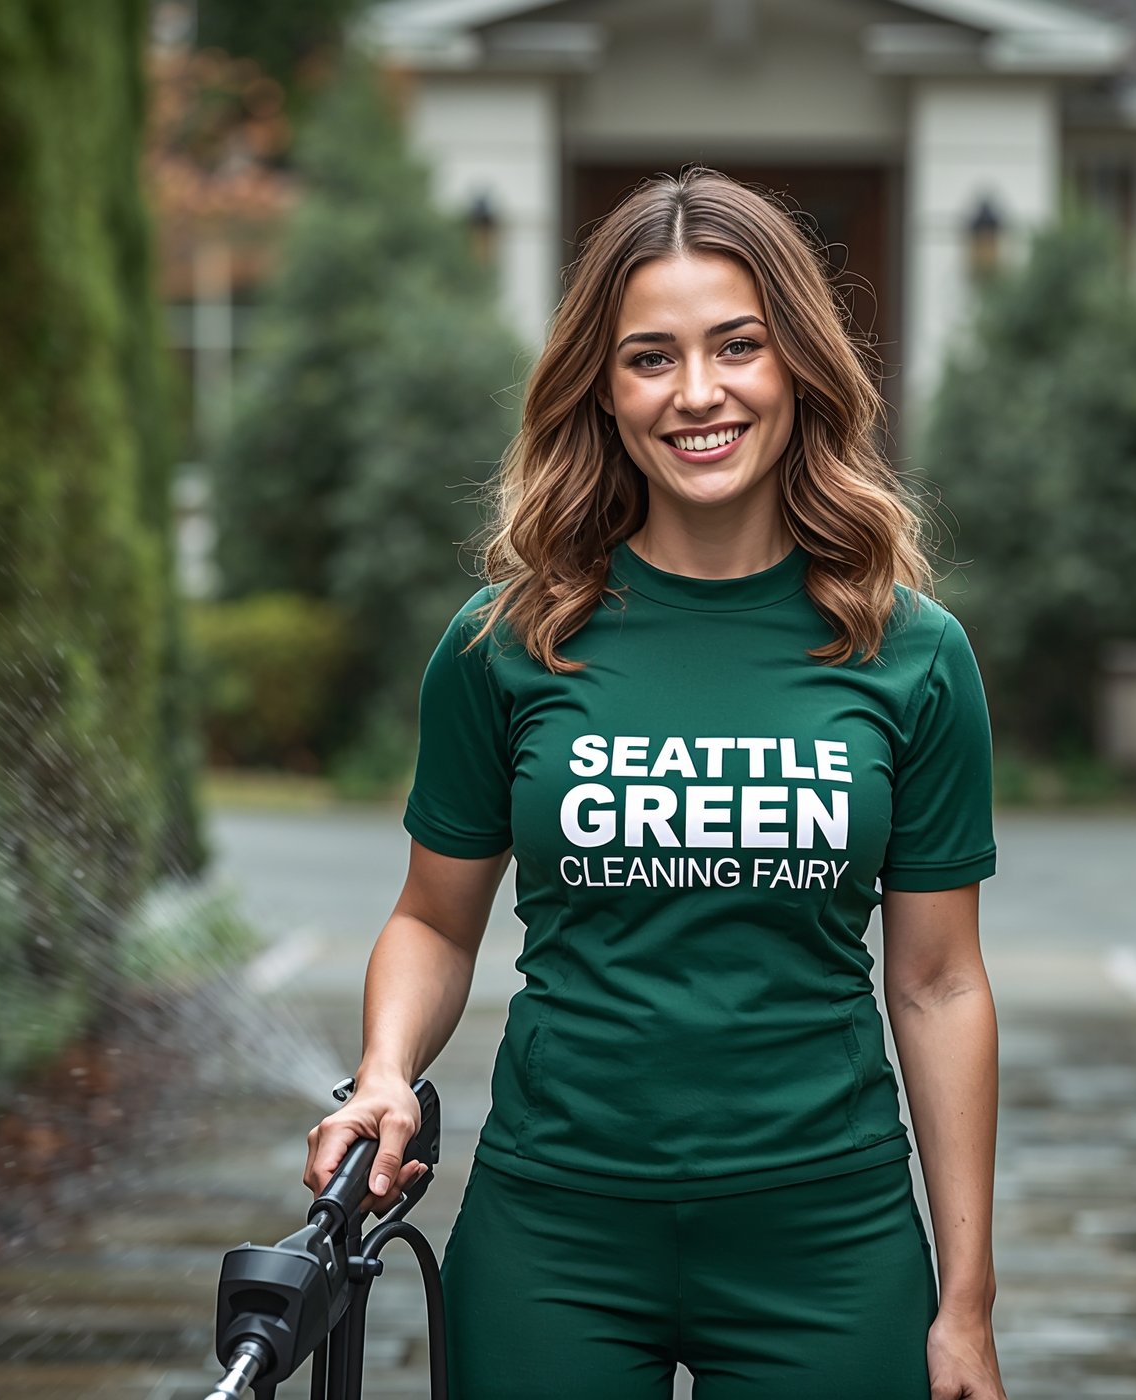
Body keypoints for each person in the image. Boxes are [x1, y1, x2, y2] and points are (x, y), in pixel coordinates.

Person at [303, 167, 1006, 1400]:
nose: (698, 393)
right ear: (602, 388)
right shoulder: (505, 639)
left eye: (738, 346)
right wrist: (380, 1071)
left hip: (826, 1234)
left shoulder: (911, 651)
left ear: (796, 363)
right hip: (552, 1229)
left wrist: (965, 1300)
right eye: (650, 357)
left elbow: (940, 981)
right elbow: (431, 917)